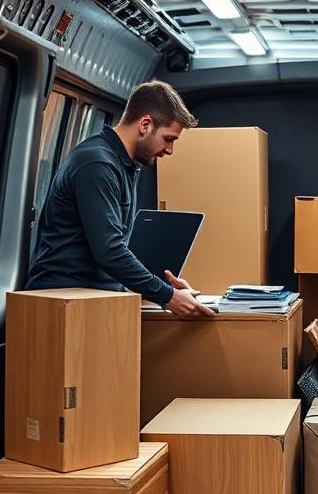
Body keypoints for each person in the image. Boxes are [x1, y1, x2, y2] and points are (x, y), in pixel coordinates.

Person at [25, 81, 213, 318]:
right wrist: (167, 296)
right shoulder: (97, 163)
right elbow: (109, 250)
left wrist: (163, 288)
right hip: (61, 300)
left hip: (92, 297)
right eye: (169, 139)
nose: (170, 150)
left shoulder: (123, 165)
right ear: (145, 125)